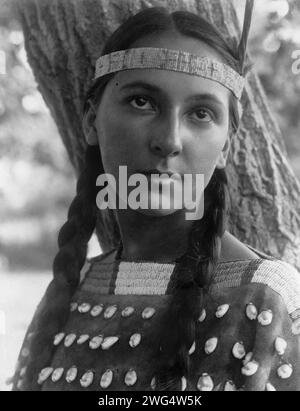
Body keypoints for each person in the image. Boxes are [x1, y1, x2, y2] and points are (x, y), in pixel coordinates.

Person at [11, 2, 300, 391]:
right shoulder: (70, 289)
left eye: (200, 113)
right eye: (142, 102)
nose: (169, 141)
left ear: (227, 146)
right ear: (91, 120)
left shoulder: (265, 299)